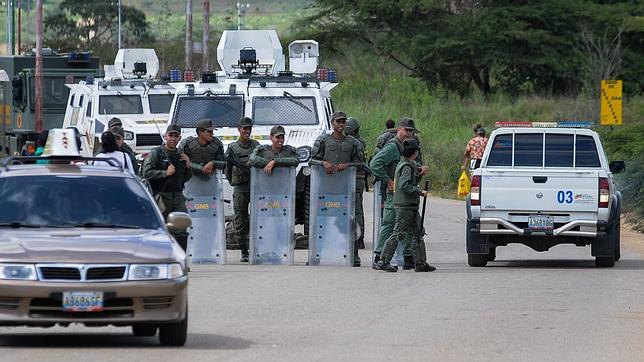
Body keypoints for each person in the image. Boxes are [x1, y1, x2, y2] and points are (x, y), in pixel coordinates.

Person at [370, 117, 429, 269]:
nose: (409, 133)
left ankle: (410, 258)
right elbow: (375, 164)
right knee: (390, 225)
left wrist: (419, 170)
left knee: (411, 226)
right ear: (399, 130)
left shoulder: (409, 147)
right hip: (395, 194)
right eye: (406, 130)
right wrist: (388, 181)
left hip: (407, 194)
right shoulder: (392, 147)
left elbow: (411, 167)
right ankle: (379, 257)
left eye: (411, 131)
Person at [310, 112, 364, 266]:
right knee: (322, 222)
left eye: (343, 122)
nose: (340, 124)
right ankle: (316, 255)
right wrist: (323, 164)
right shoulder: (323, 140)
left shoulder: (353, 142)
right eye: (338, 122)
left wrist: (347, 166)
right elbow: (311, 160)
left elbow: (360, 163)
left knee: (350, 222)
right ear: (332, 123)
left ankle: (354, 256)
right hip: (326, 190)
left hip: (346, 190)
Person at [142, 124, 192, 251]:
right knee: (162, 229)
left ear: (180, 138)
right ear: (165, 136)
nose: (173, 139)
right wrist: (165, 173)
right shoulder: (156, 153)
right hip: (162, 196)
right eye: (171, 135)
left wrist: (188, 165)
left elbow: (185, 178)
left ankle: (181, 260)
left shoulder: (181, 155)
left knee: (181, 228)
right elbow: (146, 173)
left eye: (176, 136)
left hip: (178, 196)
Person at [225, 117, 260, 263]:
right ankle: (244, 251)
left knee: (259, 217)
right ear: (239, 129)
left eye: (249, 128)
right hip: (240, 187)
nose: (247, 131)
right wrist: (234, 181)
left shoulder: (256, 145)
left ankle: (257, 247)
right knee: (240, 219)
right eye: (244, 128)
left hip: (255, 186)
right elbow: (227, 170)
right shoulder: (233, 148)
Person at [343, 116, 369, 251]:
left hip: (356, 179)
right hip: (357, 179)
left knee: (356, 210)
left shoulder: (355, 143)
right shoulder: (360, 142)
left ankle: (359, 239)